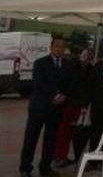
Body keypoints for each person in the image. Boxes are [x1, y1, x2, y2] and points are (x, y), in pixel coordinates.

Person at [19, 36, 72, 177]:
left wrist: (64, 96)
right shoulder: (40, 63)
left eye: (62, 46)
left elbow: (70, 84)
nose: (60, 49)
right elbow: (39, 83)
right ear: (51, 47)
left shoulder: (68, 64)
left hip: (56, 109)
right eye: (57, 46)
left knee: (50, 140)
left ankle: (45, 167)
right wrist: (54, 96)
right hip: (39, 107)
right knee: (31, 139)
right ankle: (25, 169)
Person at [53, 47, 93, 169]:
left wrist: (85, 105)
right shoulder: (71, 66)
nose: (86, 57)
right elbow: (64, 84)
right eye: (85, 54)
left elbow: (89, 89)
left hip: (81, 107)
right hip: (68, 104)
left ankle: (77, 158)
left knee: (78, 134)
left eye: (89, 56)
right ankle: (59, 157)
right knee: (64, 132)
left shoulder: (91, 70)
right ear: (81, 54)